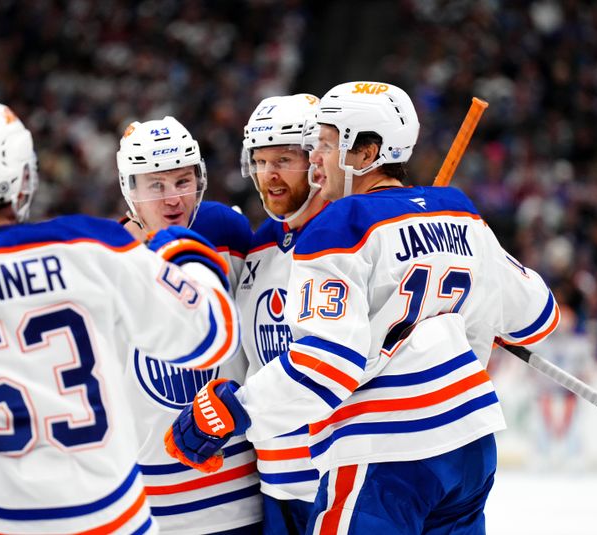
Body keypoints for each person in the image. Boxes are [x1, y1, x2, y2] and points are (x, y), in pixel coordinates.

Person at [167, 81, 561, 534]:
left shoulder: (340, 225)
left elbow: (329, 363)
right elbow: (537, 316)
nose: (315, 158)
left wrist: (229, 412)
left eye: (328, 145)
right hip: (470, 444)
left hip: (387, 449)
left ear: (367, 152)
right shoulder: (460, 213)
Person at [0, 103, 239, 534]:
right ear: (25, 180)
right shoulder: (92, 248)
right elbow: (212, 335)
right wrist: (186, 254)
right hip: (100, 517)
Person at [116, 117, 261, 534]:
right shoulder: (106, 259)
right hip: (149, 505)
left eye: (183, 181)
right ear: (130, 190)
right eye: (155, 185)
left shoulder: (227, 233)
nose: (172, 199)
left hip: (238, 491)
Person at [236, 94, 327, 534]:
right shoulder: (260, 245)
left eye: (284, 159)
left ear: (317, 160)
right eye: (260, 160)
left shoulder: (348, 238)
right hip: (274, 481)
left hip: (336, 480)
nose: (268, 174)